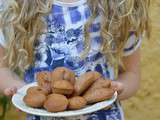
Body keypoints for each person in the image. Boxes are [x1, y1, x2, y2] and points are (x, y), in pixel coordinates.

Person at [0, 0, 150, 120]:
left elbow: (131, 73)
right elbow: (2, 69)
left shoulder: (120, 6)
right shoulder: (16, 6)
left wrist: (117, 89)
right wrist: (19, 90)